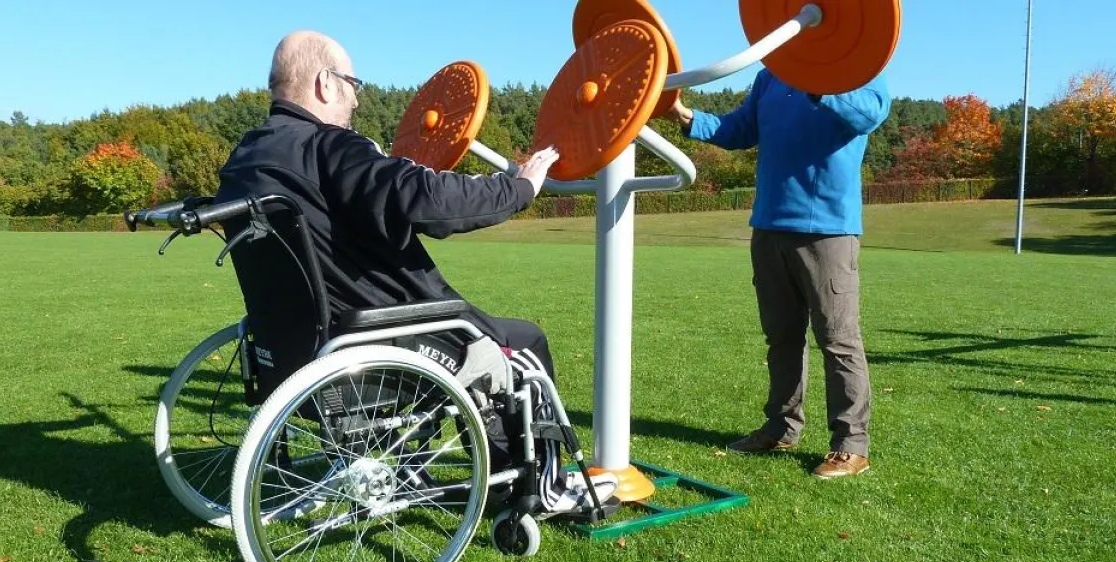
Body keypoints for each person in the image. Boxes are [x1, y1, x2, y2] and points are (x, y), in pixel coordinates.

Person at [214, 30, 612, 509]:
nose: (357, 99)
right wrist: (519, 188)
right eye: (352, 82)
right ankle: (537, 489)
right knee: (523, 343)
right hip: (373, 339)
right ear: (325, 83)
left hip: (295, 349)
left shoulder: (246, 159)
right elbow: (429, 201)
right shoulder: (331, 147)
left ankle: (414, 464)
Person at [664, 69, 891, 479]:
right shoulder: (771, 77)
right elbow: (740, 127)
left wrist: (823, 86)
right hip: (769, 226)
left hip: (829, 230)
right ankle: (781, 428)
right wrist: (684, 114)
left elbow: (871, 114)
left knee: (838, 340)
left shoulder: (861, 63)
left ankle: (850, 444)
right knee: (782, 337)